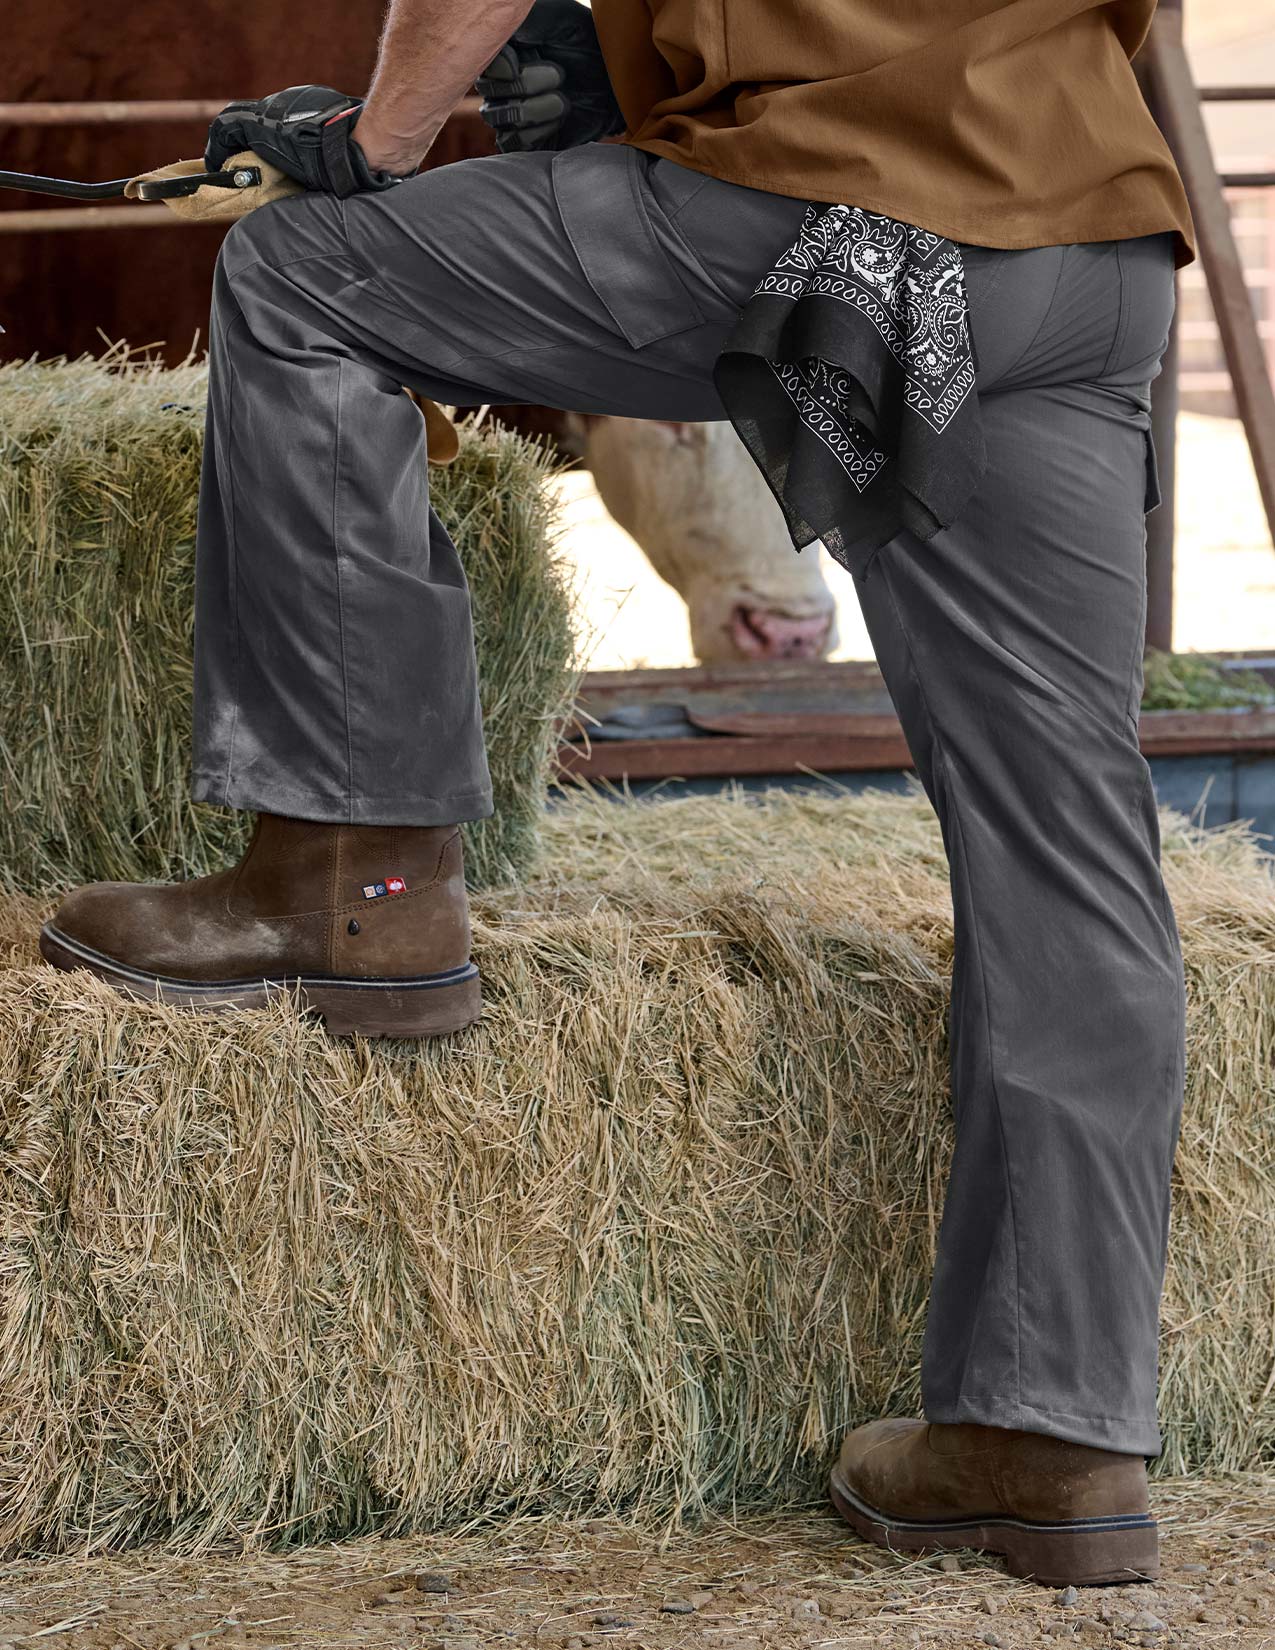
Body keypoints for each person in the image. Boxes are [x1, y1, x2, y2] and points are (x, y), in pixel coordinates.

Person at [39, 0, 1195, 1589]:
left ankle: (354, 882)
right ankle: (1054, 1431)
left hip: (826, 216)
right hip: (1080, 232)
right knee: (1065, 832)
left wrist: (372, 141)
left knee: (304, 278)